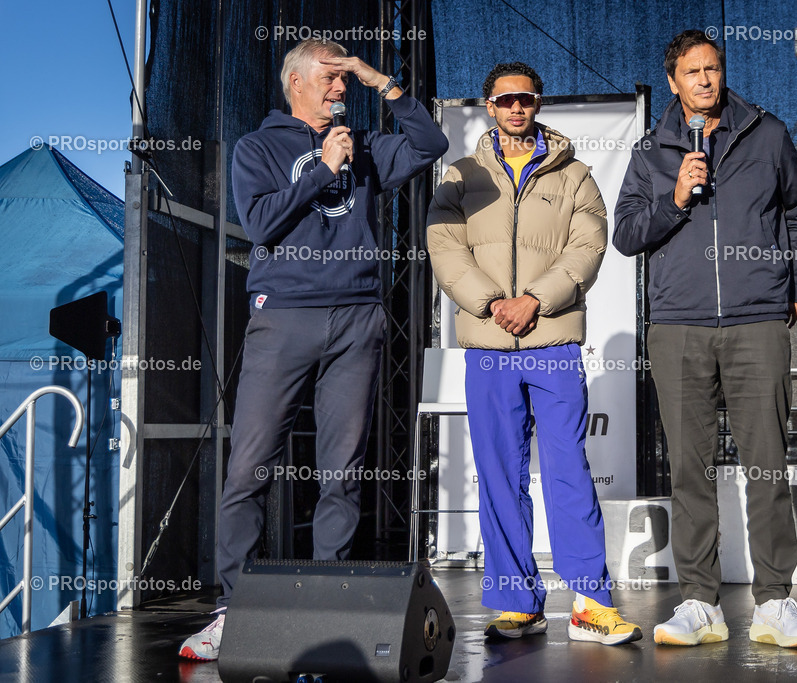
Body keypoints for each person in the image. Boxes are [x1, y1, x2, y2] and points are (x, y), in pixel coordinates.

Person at [178, 38, 448, 661]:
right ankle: (232, 609)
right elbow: (264, 222)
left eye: (345, 80)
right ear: (295, 82)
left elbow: (431, 145)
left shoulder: (365, 143)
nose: (340, 89)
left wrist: (383, 83)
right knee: (249, 467)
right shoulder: (258, 147)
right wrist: (325, 170)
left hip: (357, 318)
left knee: (342, 469)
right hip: (285, 319)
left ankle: (331, 598)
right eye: (331, 77)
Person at [613, 30, 797, 648]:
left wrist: (790, 283)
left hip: (757, 321)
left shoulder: (767, 134)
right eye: (692, 72)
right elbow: (627, 233)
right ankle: (700, 604)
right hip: (679, 326)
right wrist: (676, 198)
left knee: (768, 465)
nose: (705, 80)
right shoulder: (651, 151)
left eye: (712, 69)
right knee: (690, 470)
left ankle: (775, 604)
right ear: (673, 81)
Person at [426, 62, 641, 646]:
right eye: (505, 100)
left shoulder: (576, 176)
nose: (516, 108)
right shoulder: (461, 174)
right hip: (489, 343)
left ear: (537, 103)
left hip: (553, 342)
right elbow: (444, 247)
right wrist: (493, 302)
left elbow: (589, 248)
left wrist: (535, 301)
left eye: (525, 99)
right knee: (499, 475)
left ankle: (591, 603)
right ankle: (518, 602)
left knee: (569, 470)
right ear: (489, 107)